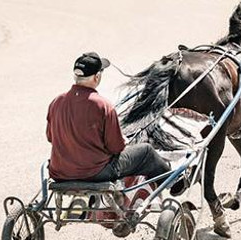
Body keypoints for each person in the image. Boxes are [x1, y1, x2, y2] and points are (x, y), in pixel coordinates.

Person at [46, 52, 171, 184]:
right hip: (95, 172)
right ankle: (175, 182)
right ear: (97, 77)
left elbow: (50, 137)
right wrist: (122, 141)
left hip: (60, 172)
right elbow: (115, 148)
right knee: (146, 151)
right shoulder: (102, 106)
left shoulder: (56, 102)